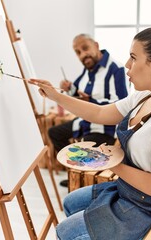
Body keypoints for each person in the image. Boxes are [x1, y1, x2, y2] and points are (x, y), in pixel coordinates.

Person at [31, 27, 151, 239]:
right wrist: (56, 96)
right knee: (70, 203)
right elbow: (101, 113)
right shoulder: (144, 96)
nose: (127, 65)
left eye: (133, 57)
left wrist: (112, 163)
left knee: (64, 233)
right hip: (133, 191)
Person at [48, 34, 129, 187]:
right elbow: (78, 95)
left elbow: (122, 104)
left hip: (106, 126)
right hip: (85, 121)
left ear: (96, 45)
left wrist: (89, 101)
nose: (82, 55)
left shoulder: (116, 69)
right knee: (54, 133)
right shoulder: (87, 71)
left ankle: (83, 179)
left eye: (85, 48)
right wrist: (70, 88)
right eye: (78, 52)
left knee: (83, 149)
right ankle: (76, 174)